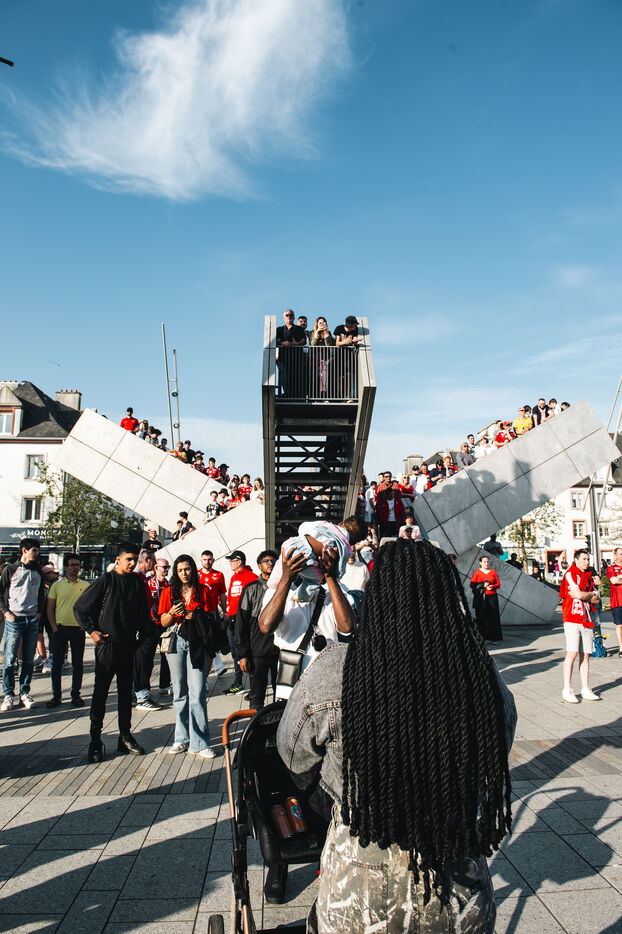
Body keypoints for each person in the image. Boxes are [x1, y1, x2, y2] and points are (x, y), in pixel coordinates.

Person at [277, 540, 516, 934]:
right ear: (450, 598)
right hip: (459, 887)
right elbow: (500, 743)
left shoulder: (333, 671)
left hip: (359, 888)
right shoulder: (478, 673)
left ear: (376, 597)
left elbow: (293, 755)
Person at [73, 542, 154, 763]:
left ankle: (125, 736)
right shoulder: (106, 580)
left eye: (135, 559)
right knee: (100, 693)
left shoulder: (137, 582)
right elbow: (80, 607)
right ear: (118, 559)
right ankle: (95, 740)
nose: (132, 563)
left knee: (126, 694)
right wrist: (92, 631)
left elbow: (143, 613)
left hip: (129, 645)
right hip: (107, 645)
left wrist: (145, 640)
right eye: (128, 559)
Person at [258, 540, 357, 701]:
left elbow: (347, 626)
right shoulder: (277, 593)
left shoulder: (332, 592)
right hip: (291, 685)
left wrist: (330, 577)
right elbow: (265, 626)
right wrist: (286, 578)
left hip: (327, 682)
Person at [158, 555, 217, 757]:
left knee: (198, 691)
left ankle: (200, 742)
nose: (184, 573)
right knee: (179, 691)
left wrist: (196, 615)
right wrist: (172, 612)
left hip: (197, 640)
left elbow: (211, 619)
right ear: (176, 572)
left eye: (188, 569)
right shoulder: (168, 591)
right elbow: (163, 622)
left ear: (193, 569)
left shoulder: (204, 590)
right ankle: (181, 739)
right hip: (176, 639)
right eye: (180, 570)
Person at [268, 517, 364, 603]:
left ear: (341, 523)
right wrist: (337, 577)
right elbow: (339, 570)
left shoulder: (325, 524)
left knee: (281, 564)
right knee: (315, 580)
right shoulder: (345, 548)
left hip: (292, 544)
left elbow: (303, 526)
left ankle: (273, 584)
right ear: (353, 542)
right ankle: (301, 597)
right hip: (306, 559)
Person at [0, 538, 47, 711]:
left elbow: (41, 593)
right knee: (9, 659)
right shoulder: (11, 570)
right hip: (14, 618)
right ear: (24, 550)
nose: (37, 553)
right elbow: (0, 592)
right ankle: (8, 695)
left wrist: (39, 612)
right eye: (34, 550)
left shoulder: (38, 570)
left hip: (32, 618)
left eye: (37, 550)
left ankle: (24, 693)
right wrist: (6, 612)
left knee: (28, 660)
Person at [234, 550, 279, 710]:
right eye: (266, 561)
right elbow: (241, 624)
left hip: (280, 650)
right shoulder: (251, 589)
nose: (270, 563)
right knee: (256, 698)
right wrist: (242, 655)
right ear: (259, 566)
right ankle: (256, 725)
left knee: (281, 697)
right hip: (257, 652)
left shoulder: (285, 587)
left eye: (273, 561)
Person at [46, 554, 90, 708]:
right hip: (60, 629)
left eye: (77, 565)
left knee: (78, 664)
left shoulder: (85, 585)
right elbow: (50, 609)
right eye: (72, 565)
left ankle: (76, 694)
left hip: (78, 630)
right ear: (65, 567)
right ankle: (56, 696)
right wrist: (54, 627)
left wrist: (86, 624)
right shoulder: (57, 586)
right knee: (57, 664)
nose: (75, 568)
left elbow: (91, 607)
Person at [560, 549, 601, 703]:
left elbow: (596, 598)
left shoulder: (589, 576)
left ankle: (585, 688)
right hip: (572, 617)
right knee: (572, 653)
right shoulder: (571, 574)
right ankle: (567, 689)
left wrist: (587, 595)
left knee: (586, 654)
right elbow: (578, 595)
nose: (587, 562)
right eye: (584, 559)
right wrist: (589, 594)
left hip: (587, 618)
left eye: (588, 559)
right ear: (576, 560)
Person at [223, 551, 258, 695]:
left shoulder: (251, 577)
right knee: (235, 652)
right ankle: (238, 682)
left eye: (232, 561)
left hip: (244, 619)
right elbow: (231, 598)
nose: (230, 564)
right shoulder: (233, 577)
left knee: (247, 652)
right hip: (232, 619)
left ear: (239, 561)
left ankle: (254, 686)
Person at [197, 550, 227, 678]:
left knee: (211, 642)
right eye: (204, 559)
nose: (207, 562)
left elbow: (222, 595)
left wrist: (224, 612)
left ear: (213, 560)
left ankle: (206, 676)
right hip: (198, 614)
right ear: (201, 560)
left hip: (212, 613)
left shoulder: (219, 575)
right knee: (201, 644)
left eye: (209, 559)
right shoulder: (196, 575)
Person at [146, 557, 173, 695]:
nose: (167, 570)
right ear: (156, 568)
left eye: (168, 567)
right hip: (152, 625)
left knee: (166, 655)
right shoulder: (149, 584)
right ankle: (144, 687)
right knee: (148, 657)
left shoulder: (169, 585)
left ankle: (164, 684)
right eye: (164, 567)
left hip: (165, 624)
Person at [470, 554, 502, 642]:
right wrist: (482, 585)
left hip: (492, 596)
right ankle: (482, 636)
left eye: (488, 562)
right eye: (484, 562)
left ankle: (493, 637)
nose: (486, 563)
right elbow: (472, 584)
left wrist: (493, 586)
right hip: (482, 597)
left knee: (493, 616)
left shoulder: (493, 572)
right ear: (480, 563)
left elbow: (498, 584)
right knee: (482, 616)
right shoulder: (477, 572)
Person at [276, 309, 306, 397]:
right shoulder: (279, 329)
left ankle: (296, 395)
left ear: (294, 318)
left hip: (297, 357)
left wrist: (295, 344)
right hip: (283, 358)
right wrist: (283, 343)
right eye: (287, 315)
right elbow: (277, 341)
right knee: (284, 375)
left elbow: (304, 340)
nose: (289, 317)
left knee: (296, 376)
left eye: (291, 315)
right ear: (283, 318)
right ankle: (287, 394)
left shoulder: (299, 329)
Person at [334, 315, 360, 399]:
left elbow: (354, 341)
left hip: (349, 355)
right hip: (339, 355)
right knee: (339, 377)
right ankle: (340, 397)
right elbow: (337, 343)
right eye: (354, 325)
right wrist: (345, 342)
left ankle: (347, 397)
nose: (355, 327)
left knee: (349, 375)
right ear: (350, 325)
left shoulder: (355, 331)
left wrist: (355, 342)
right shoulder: (339, 328)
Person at [606, 547, 622, 658]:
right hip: (618, 601)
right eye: (621, 554)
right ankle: (621, 648)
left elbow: (618, 580)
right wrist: (618, 578)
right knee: (619, 625)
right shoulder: (611, 568)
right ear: (615, 555)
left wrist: (619, 578)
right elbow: (614, 580)